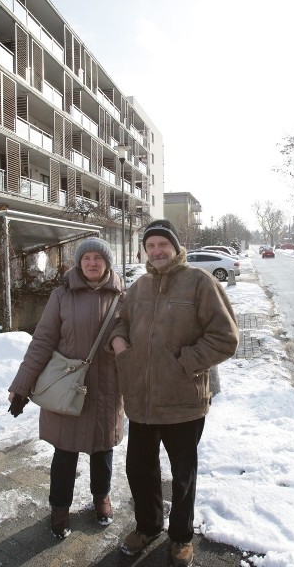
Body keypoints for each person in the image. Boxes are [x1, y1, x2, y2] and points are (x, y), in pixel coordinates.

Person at [110, 219, 239, 567]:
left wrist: (184, 363)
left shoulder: (200, 283)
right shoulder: (139, 287)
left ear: (175, 247)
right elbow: (121, 321)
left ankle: (181, 537)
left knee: (182, 476)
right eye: (150, 246)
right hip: (142, 400)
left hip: (184, 402)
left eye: (162, 245)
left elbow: (225, 337)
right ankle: (148, 526)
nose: (156, 251)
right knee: (139, 470)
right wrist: (121, 345)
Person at [8, 237, 125, 539]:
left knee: (103, 452)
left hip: (107, 390)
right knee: (65, 454)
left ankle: (101, 498)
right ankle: (59, 508)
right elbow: (43, 340)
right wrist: (22, 385)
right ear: (78, 262)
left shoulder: (124, 296)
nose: (92, 263)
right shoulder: (62, 295)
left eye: (98, 257)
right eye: (85, 258)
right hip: (68, 387)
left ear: (107, 262)